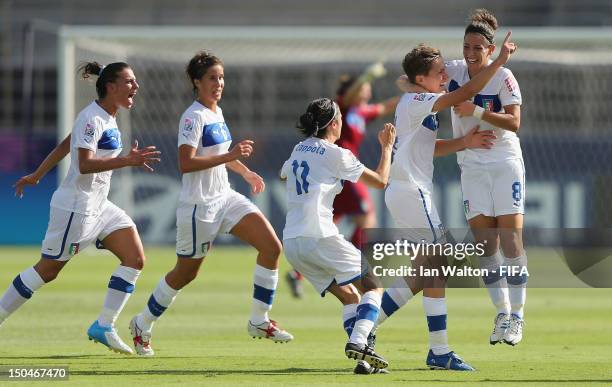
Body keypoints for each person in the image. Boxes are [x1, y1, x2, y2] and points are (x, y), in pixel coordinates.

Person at [128, 51, 293, 356]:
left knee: (272, 247)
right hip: (198, 205)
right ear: (196, 82)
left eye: (221, 77)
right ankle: (142, 323)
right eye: (212, 78)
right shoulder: (193, 116)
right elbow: (186, 163)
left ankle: (259, 320)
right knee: (185, 273)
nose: (219, 83)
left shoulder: (216, 111)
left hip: (225, 197)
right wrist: (232, 156)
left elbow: (222, 152)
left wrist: (245, 171)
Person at [0, 61, 160, 355]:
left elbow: (67, 143)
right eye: (129, 82)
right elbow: (84, 164)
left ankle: (104, 325)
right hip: (76, 208)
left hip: (100, 206)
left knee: (135, 258)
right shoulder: (92, 118)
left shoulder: (107, 117)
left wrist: (37, 174)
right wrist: (127, 160)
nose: (135, 87)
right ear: (111, 87)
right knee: (47, 270)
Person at [380, 31, 517, 370]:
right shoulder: (419, 101)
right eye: (439, 73)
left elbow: (429, 147)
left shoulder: (417, 100)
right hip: (412, 191)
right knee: (437, 266)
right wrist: (499, 60)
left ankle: (364, 322)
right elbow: (468, 92)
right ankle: (438, 351)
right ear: (422, 79)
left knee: (423, 272)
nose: (446, 76)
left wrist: (464, 142)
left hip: (403, 192)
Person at [281, 97, 396, 371]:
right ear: (334, 124)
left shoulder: (299, 148)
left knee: (350, 297)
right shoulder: (338, 154)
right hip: (319, 235)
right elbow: (380, 181)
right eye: (341, 118)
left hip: (293, 243)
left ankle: (365, 360)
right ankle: (358, 341)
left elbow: (284, 174)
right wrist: (387, 147)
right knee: (373, 285)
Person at [446, 9, 526, 346]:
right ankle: (502, 313)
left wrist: (477, 111)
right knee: (485, 245)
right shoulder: (452, 70)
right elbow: (409, 78)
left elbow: (514, 122)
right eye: (467, 46)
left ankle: (518, 318)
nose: (470, 53)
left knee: (510, 240)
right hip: (471, 166)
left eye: (477, 48)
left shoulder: (504, 77)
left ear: (490, 50)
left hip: (504, 161)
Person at [285, 63, 399, 298]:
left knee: (327, 217)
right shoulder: (341, 108)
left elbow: (385, 106)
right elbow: (379, 180)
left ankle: (301, 272)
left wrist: (416, 94)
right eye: (365, 87)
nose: (367, 91)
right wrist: (365, 76)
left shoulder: (360, 112)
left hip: (339, 171)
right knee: (366, 218)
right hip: (339, 169)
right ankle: (349, 264)